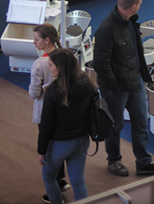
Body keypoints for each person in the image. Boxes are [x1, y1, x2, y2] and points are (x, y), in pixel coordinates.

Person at [94, 0, 154, 177]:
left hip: (135, 82)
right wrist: (115, 86)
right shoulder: (106, 29)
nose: (140, 7)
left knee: (141, 123)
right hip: (116, 89)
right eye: (139, 5)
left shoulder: (130, 22)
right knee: (114, 126)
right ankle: (114, 161)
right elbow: (100, 64)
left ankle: (144, 163)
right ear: (133, 7)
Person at [37, 49, 94, 204]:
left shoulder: (52, 91)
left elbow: (46, 125)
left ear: (60, 67)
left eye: (50, 65)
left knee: (48, 178)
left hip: (60, 144)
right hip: (82, 141)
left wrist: (42, 150)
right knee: (78, 181)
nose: (48, 68)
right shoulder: (87, 82)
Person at [30, 24, 69, 202]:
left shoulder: (39, 63)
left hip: (46, 111)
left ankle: (55, 187)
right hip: (64, 110)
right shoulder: (66, 56)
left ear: (46, 40)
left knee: (49, 150)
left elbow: (34, 93)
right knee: (60, 146)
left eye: (36, 39)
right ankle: (62, 180)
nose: (33, 42)